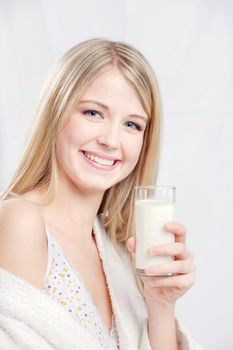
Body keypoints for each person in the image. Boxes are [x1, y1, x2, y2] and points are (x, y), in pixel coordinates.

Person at [0, 38, 203, 350]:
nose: (111, 140)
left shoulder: (117, 249)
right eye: (93, 113)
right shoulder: (21, 221)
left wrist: (160, 303)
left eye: (132, 125)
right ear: (56, 113)